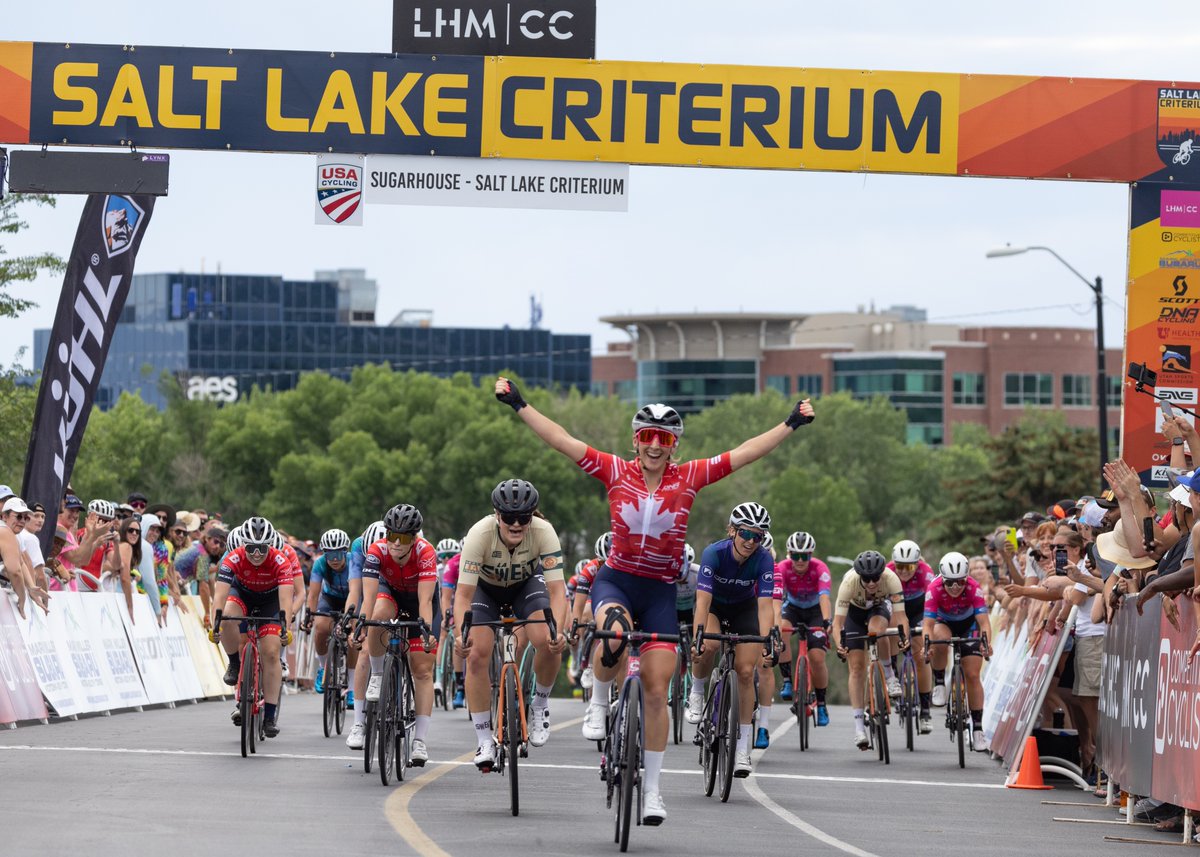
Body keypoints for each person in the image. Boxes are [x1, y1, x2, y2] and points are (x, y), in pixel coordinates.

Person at [496, 375, 814, 825]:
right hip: (618, 582)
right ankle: (600, 700)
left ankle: (652, 793)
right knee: (614, 637)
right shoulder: (614, 470)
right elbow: (563, 441)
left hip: (661, 591)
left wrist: (789, 424)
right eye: (648, 437)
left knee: (658, 688)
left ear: (673, 444)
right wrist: (519, 404)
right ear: (636, 441)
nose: (655, 445)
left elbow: (744, 453)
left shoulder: (689, 477)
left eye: (664, 438)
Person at [454, 479, 567, 767]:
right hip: (486, 591)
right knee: (477, 653)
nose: (516, 524)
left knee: (547, 640)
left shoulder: (544, 532)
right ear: (496, 514)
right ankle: (483, 741)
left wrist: (560, 631)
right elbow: (463, 595)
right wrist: (460, 635)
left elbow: (557, 592)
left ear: (532, 516)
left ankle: (539, 704)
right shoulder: (479, 534)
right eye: (508, 518)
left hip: (526, 587)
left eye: (523, 518)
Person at [688, 503, 777, 776]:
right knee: (709, 646)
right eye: (745, 534)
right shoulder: (714, 553)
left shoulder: (763, 559)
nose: (751, 541)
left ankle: (741, 750)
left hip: (744, 609)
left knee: (747, 672)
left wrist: (767, 642)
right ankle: (698, 690)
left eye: (757, 536)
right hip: (714, 606)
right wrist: (698, 638)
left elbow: (765, 606)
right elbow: (702, 602)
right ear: (731, 530)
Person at [357, 504, 438, 766]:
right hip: (390, 594)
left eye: (403, 539)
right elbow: (368, 599)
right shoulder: (377, 550)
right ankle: (378, 675)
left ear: (414, 538)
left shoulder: (426, 552)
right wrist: (361, 624)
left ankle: (420, 741)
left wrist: (425, 630)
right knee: (378, 614)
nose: (395, 544)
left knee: (423, 669)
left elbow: (425, 601)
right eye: (391, 536)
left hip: (418, 601)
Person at [210, 517, 295, 737]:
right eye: (251, 548)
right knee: (227, 616)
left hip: (270, 603)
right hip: (243, 596)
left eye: (262, 548)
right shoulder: (232, 558)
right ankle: (235, 663)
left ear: (269, 546)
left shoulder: (280, 561)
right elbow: (219, 596)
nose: (256, 553)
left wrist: (286, 628)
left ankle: (269, 716)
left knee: (271, 652)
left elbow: (286, 600)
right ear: (242, 546)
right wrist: (216, 624)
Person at [832, 550, 906, 749]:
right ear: (859, 576)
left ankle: (890, 677)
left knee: (876, 631)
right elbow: (838, 622)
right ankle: (858, 727)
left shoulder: (892, 579)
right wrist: (840, 645)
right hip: (854, 615)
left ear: (882, 573)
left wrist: (903, 638)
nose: (872, 583)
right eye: (867, 579)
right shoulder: (849, 583)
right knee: (856, 668)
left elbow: (901, 618)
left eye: (875, 578)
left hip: (879, 608)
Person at [923, 552, 993, 751]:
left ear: (966, 579)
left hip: (969, 625)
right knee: (938, 637)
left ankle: (978, 729)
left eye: (960, 582)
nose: (955, 587)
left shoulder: (974, 588)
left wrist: (985, 643)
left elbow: (984, 623)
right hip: (943, 623)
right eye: (950, 583)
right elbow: (927, 625)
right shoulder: (933, 588)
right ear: (942, 579)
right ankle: (938, 682)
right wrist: (927, 646)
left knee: (972, 674)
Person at [774, 531, 833, 726]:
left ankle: (822, 703)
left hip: (815, 610)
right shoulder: (781, 568)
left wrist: (826, 621)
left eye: (804, 556)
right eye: (795, 555)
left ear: (811, 555)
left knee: (817, 657)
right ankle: (788, 680)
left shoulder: (820, 568)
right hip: (792, 608)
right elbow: (776, 597)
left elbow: (824, 597)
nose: (799, 560)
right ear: (789, 554)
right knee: (781, 630)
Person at [344, 519, 386, 750]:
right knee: (365, 650)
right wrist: (354, 626)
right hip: (372, 593)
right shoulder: (358, 547)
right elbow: (356, 592)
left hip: (397, 588)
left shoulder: (404, 544)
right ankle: (358, 723)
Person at [887, 539, 936, 732]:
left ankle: (925, 710)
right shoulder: (888, 571)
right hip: (896, 609)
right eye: (900, 566)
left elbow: (934, 600)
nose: (904, 571)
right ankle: (893, 673)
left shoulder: (925, 572)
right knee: (889, 628)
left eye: (909, 566)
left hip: (918, 610)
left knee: (920, 654)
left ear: (917, 563)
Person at [302, 529, 355, 696]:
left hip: (352, 598)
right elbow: (313, 594)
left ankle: (352, 687)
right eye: (329, 554)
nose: (334, 560)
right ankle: (323, 668)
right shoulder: (320, 564)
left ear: (345, 552)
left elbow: (356, 591)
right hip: (330, 598)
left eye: (339, 555)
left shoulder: (354, 561)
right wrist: (309, 615)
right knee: (320, 628)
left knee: (354, 635)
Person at [434, 537, 464, 708]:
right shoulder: (445, 568)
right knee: (443, 633)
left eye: (450, 555)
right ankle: (438, 678)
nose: (446, 559)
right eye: (443, 555)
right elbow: (443, 597)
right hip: (445, 606)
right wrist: (446, 617)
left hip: (465, 604)